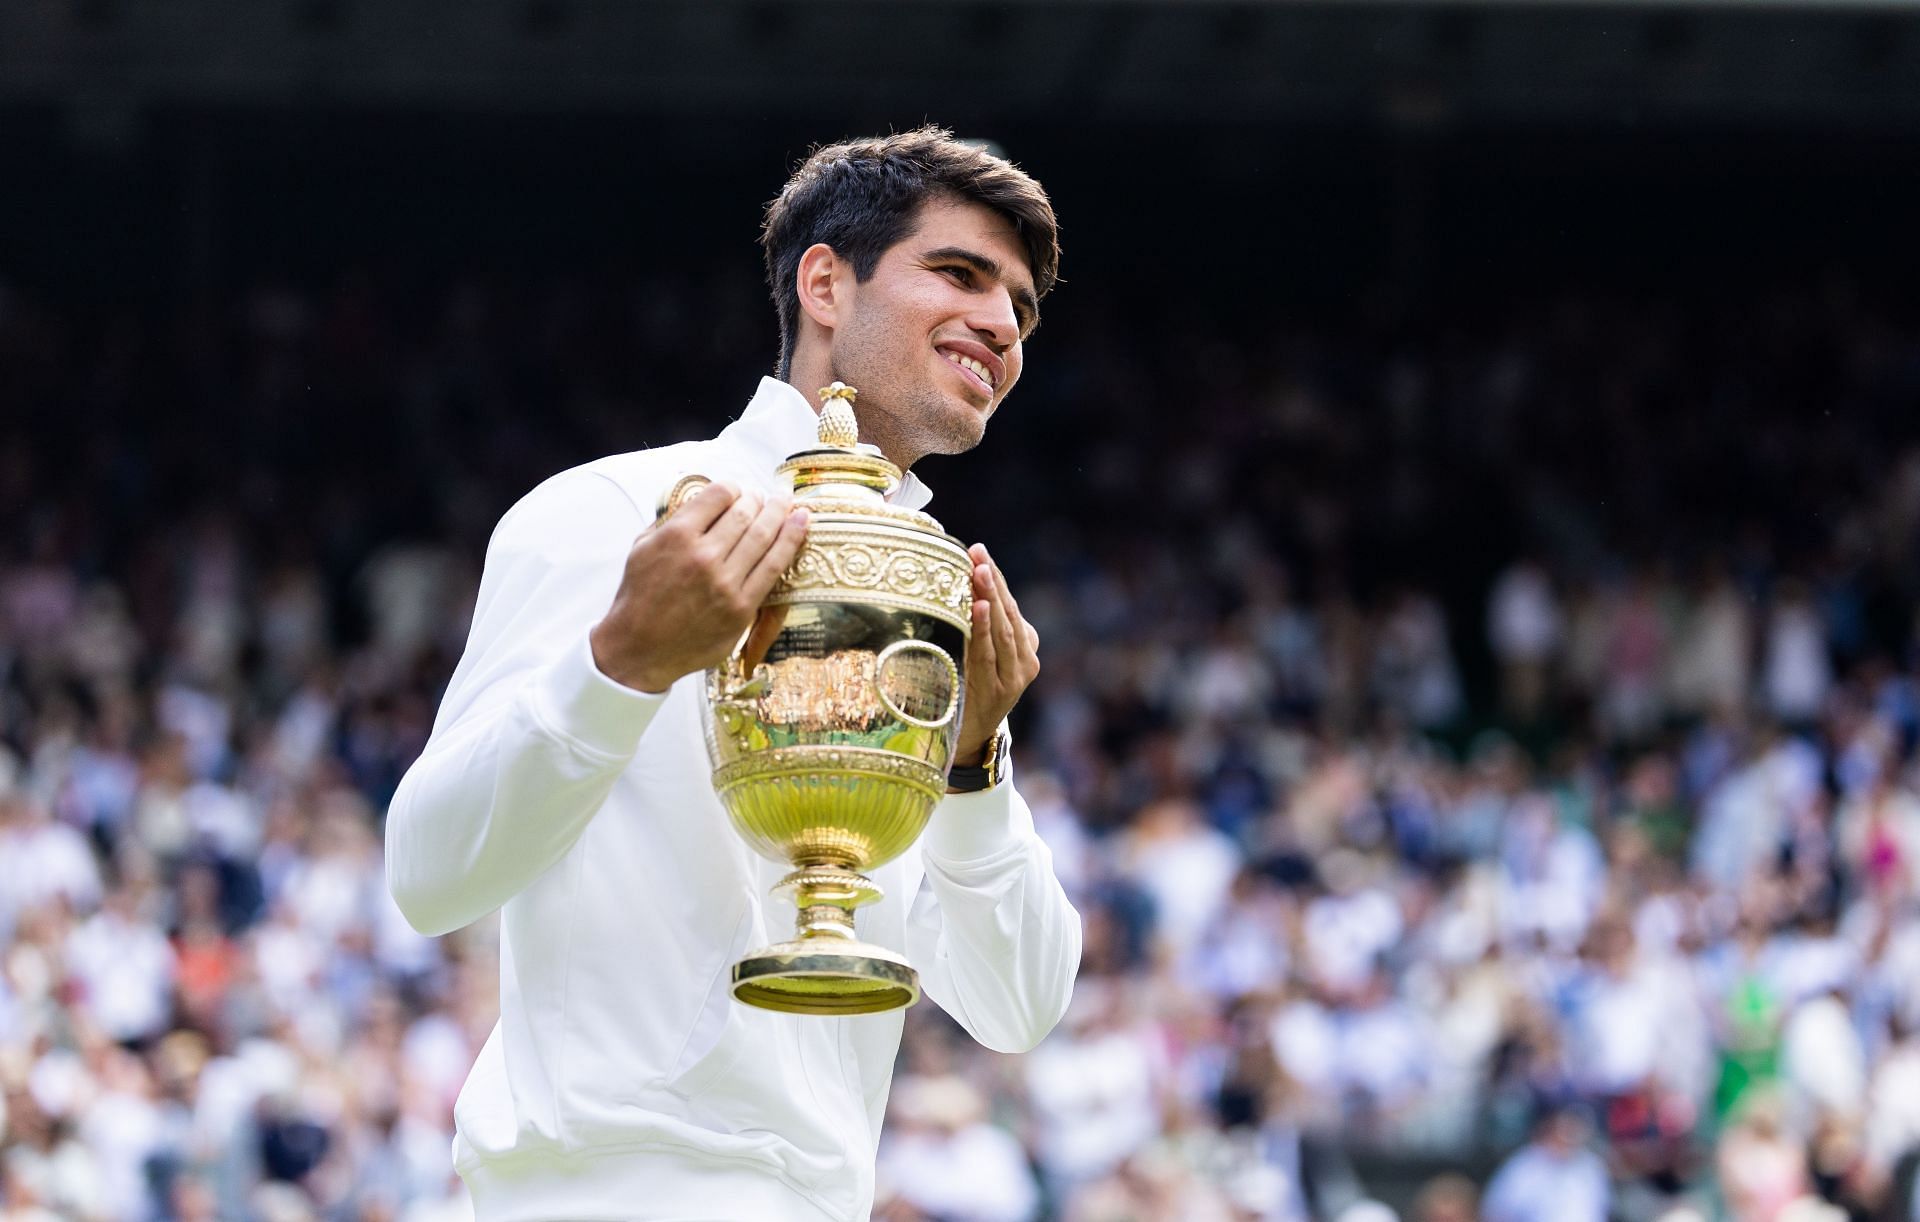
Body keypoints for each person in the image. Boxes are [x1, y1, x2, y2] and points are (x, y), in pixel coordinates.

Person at [384, 127, 1081, 1221]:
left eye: (1024, 308)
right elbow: (428, 873)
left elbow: (1021, 1003)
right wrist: (621, 664)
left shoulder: (935, 595)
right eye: (960, 272)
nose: (1001, 322)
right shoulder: (617, 513)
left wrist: (972, 769)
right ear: (824, 284)